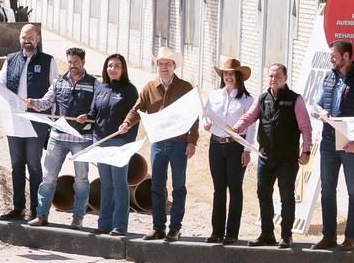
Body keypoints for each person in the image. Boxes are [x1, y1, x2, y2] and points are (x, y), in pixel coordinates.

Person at [119, 47, 198, 242]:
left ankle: (175, 229)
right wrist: (127, 122)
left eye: (168, 64)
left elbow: (193, 115)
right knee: (157, 186)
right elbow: (137, 109)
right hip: (158, 144)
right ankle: (158, 228)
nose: (164, 67)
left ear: (174, 66)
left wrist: (192, 141)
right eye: (161, 64)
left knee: (179, 187)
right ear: (157, 66)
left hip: (179, 144)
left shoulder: (185, 87)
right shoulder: (149, 87)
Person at [233, 64, 314, 249]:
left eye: (277, 76)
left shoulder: (296, 100)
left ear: (285, 78)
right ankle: (267, 234)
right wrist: (236, 128)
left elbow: (306, 128)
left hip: (287, 159)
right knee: (263, 194)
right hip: (265, 158)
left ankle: (286, 236)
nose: (273, 79)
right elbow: (249, 117)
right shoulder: (262, 98)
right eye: (270, 76)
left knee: (287, 197)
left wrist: (306, 151)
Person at [0, 25, 58, 221]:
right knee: (17, 165)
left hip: (37, 122)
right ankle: (18, 208)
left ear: (37, 39)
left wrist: (52, 119)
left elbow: (55, 90)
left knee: (34, 165)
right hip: (14, 122)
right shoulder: (10, 59)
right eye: (23, 37)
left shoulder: (48, 61)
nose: (27, 40)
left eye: (30, 37)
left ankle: (37, 211)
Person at [311, 40, 354, 251]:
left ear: (346, 56)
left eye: (334, 56)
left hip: (351, 145)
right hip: (328, 143)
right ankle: (328, 236)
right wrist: (320, 112)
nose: (330, 59)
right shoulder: (328, 77)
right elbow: (316, 104)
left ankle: (351, 238)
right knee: (327, 191)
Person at [24, 47, 96, 228]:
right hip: (57, 137)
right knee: (49, 178)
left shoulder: (94, 84)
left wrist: (88, 116)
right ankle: (42, 216)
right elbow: (46, 102)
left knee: (81, 181)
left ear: (83, 62)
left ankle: (78, 219)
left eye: (76, 62)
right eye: (70, 62)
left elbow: (97, 110)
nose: (72, 65)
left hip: (82, 140)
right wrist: (33, 103)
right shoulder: (59, 82)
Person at [78, 53, 138, 236]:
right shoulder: (101, 88)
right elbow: (94, 113)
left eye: (117, 66)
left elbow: (136, 116)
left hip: (120, 143)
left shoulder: (130, 90)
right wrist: (86, 117)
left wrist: (128, 139)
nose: (113, 69)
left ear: (123, 69)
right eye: (110, 65)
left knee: (120, 184)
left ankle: (119, 226)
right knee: (106, 185)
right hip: (101, 141)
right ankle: (104, 224)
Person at [202, 57, 257, 244]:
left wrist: (247, 150)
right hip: (216, 145)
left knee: (234, 188)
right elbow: (206, 114)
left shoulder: (247, 100)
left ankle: (231, 233)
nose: (228, 77)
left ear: (238, 76)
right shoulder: (214, 95)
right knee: (218, 189)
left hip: (236, 147)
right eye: (226, 73)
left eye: (232, 74)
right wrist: (206, 123)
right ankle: (216, 232)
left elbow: (251, 127)